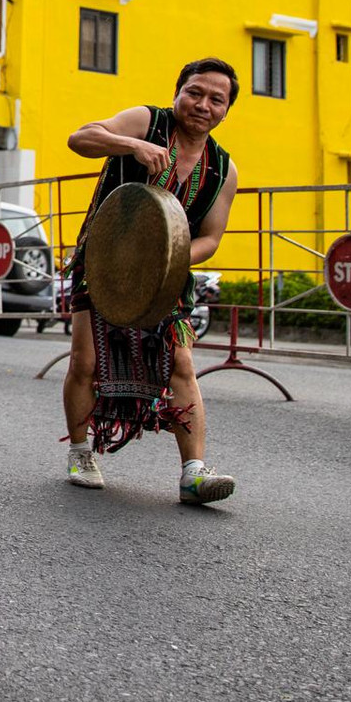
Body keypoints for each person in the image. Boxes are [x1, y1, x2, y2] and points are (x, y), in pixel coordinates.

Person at [60, 61, 242, 506]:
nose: (203, 105)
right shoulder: (147, 121)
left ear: (225, 111)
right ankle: (81, 452)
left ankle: (193, 473)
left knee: (181, 363)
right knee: (86, 361)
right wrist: (131, 145)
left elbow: (211, 239)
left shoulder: (224, 169)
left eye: (216, 99)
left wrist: (165, 260)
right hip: (102, 263)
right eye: (195, 92)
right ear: (178, 92)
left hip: (168, 277)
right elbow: (79, 138)